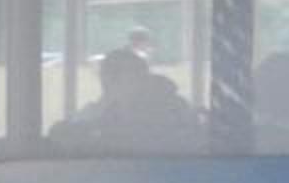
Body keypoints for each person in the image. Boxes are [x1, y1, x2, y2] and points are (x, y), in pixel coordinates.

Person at [53, 47, 203, 153]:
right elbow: (61, 140)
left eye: (142, 75)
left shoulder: (175, 109)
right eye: (135, 76)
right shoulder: (90, 117)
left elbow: (196, 139)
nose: (142, 82)